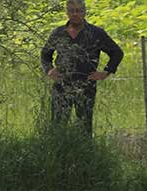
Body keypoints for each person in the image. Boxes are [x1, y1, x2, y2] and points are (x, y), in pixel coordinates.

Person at [40, 0, 123, 135]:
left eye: (78, 10)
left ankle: (85, 155)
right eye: (72, 11)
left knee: (84, 128)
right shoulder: (58, 33)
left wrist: (106, 72)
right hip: (62, 86)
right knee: (57, 126)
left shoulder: (96, 33)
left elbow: (117, 53)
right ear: (67, 13)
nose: (75, 14)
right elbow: (45, 54)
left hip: (86, 86)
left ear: (84, 12)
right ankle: (57, 154)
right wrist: (49, 69)